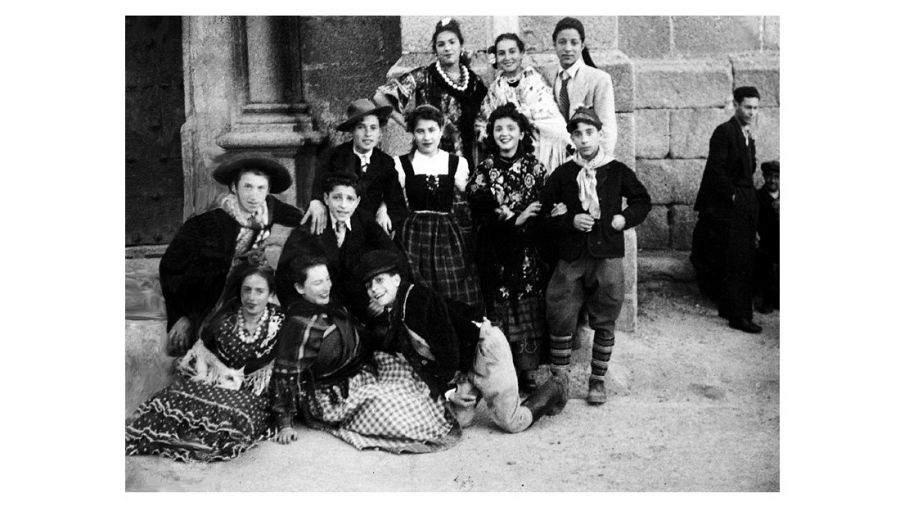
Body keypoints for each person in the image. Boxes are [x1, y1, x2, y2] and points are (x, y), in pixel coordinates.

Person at [359, 250, 567, 434]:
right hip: (464, 363)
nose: (374, 289)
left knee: (511, 422)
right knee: (458, 420)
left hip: (485, 349)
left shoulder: (417, 299)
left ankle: (557, 385)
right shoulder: (396, 312)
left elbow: (448, 348)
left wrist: (451, 391)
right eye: (369, 286)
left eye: (380, 280)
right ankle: (473, 391)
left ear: (396, 279)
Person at [271, 256, 460, 453]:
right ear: (300, 288)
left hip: (359, 374)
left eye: (327, 279)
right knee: (389, 406)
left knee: (410, 376)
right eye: (318, 282)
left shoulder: (332, 306)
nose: (326, 286)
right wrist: (284, 423)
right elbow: (285, 374)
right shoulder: (299, 325)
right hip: (331, 395)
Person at [539, 107, 651, 405]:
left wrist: (623, 219)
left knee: (606, 312)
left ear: (599, 134)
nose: (584, 139)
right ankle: (559, 383)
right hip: (572, 256)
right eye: (578, 133)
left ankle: (597, 380)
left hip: (607, 255)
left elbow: (642, 200)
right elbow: (543, 214)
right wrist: (569, 221)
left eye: (590, 132)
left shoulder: (616, 171)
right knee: (559, 310)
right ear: (571, 138)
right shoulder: (563, 174)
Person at [126, 265, 284, 462]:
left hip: (251, 392)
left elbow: (282, 369)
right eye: (247, 290)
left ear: (270, 294)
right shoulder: (227, 316)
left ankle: (198, 441)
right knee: (170, 398)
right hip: (215, 383)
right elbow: (203, 352)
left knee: (238, 416)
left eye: (260, 291)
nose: (252, 297)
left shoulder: (279, 323)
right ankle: (177, 439)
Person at [159, 153, 303, 355]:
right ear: (234, 188)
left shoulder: (271, 211)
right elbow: (170, 271)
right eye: (247, 187)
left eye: (261, 188)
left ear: (269, 191)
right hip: (212, 299)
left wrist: (317, 205)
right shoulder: (204, 225)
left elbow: (303, 219)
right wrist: (182, 316)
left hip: (251, 292)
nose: (254, 196)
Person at [467, 103, 555, 393]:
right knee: (501, 307)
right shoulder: (484, 171)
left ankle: (529, 370)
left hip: (529, 254)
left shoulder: (536, 168)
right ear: (491, 134)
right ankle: (506, 370)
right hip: (497, 253)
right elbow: (481, 213)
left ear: (521, 133)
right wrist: (515, 219)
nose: (505, 134)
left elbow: (544, 208)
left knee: (529, 304)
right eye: (498, 129)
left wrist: (530, 218)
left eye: (511, 128)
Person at [276, 172, 405, 318]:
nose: (343, 205)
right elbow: (283, 276)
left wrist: (381, 298)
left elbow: (395, 257)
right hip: (320, 307)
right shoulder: (311, 225)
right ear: (326, 198)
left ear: (357, 202)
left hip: (360, 306)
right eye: (337, 198)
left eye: (350, 199)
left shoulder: (365, 222)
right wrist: (299, 310)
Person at [393, 104, 482, 309]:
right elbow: (392, 197)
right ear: (412, 133)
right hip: (414, 233)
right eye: (420, 131)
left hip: (446, 234)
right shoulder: (401, 164)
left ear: (441, 130)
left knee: (452, 288)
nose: (427, 137)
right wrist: (382, 209)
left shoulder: (456, 163)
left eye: (432, 130)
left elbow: (471, 194)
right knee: (418, 289)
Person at [691, 86, 763, 333]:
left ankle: (732, 308)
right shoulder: (725, 132)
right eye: (747, 107)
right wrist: (733, 196)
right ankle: (738, 315)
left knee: (745, 258)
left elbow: (749, 170)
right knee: (736, 260)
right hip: (730, 205)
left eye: (755, 108)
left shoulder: (747, 134)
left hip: (745, 201)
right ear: (736, 105)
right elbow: (715, 170)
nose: (752, 112)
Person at [373, 17, 488, 166]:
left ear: (461, 45)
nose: (447, 48)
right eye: (441, 44)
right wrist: (408, 124)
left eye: (452, 42)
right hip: (431, 155)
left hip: (465, 157)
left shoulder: (473, 82)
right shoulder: (424, 76)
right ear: (435, 50)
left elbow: (485, 116)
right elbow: (379, 96)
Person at [302, 99, 407, 236]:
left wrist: (385, 211)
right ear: (352, 130)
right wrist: (316, 201)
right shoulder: (333, 156)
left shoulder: (385, 162)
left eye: (373, 128)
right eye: (361, 127)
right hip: (337, 229)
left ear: (379, 132)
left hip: (370, 232)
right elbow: (319, 190)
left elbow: (397, 205)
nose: (368, 134)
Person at [479, 33, 570, 174]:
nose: (507, 58)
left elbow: (551, 117)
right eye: (501, 53)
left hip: (541, 152)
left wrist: (525, 118)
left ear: (521, 53)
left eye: (512, 51)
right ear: (496, 57)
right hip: (507, 156)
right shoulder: (494, 90)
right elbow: (484, 124)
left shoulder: (535, 81)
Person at [548, 17, 617, 160]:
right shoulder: (547, 76)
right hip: (556, 158)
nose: (568, 48)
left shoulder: (598, 80)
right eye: (562, 42)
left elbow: (607, 130)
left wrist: (595, 165)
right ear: (554, 44)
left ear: (582, 45)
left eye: (574, 43)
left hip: (588, 159)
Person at [754, 160, 780, 314]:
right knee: (766, 264)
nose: (772, 180)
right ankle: (767, 299)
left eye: (776, 177)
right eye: (769, 176)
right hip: (765, 241)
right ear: (764, 177)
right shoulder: (758, 196)